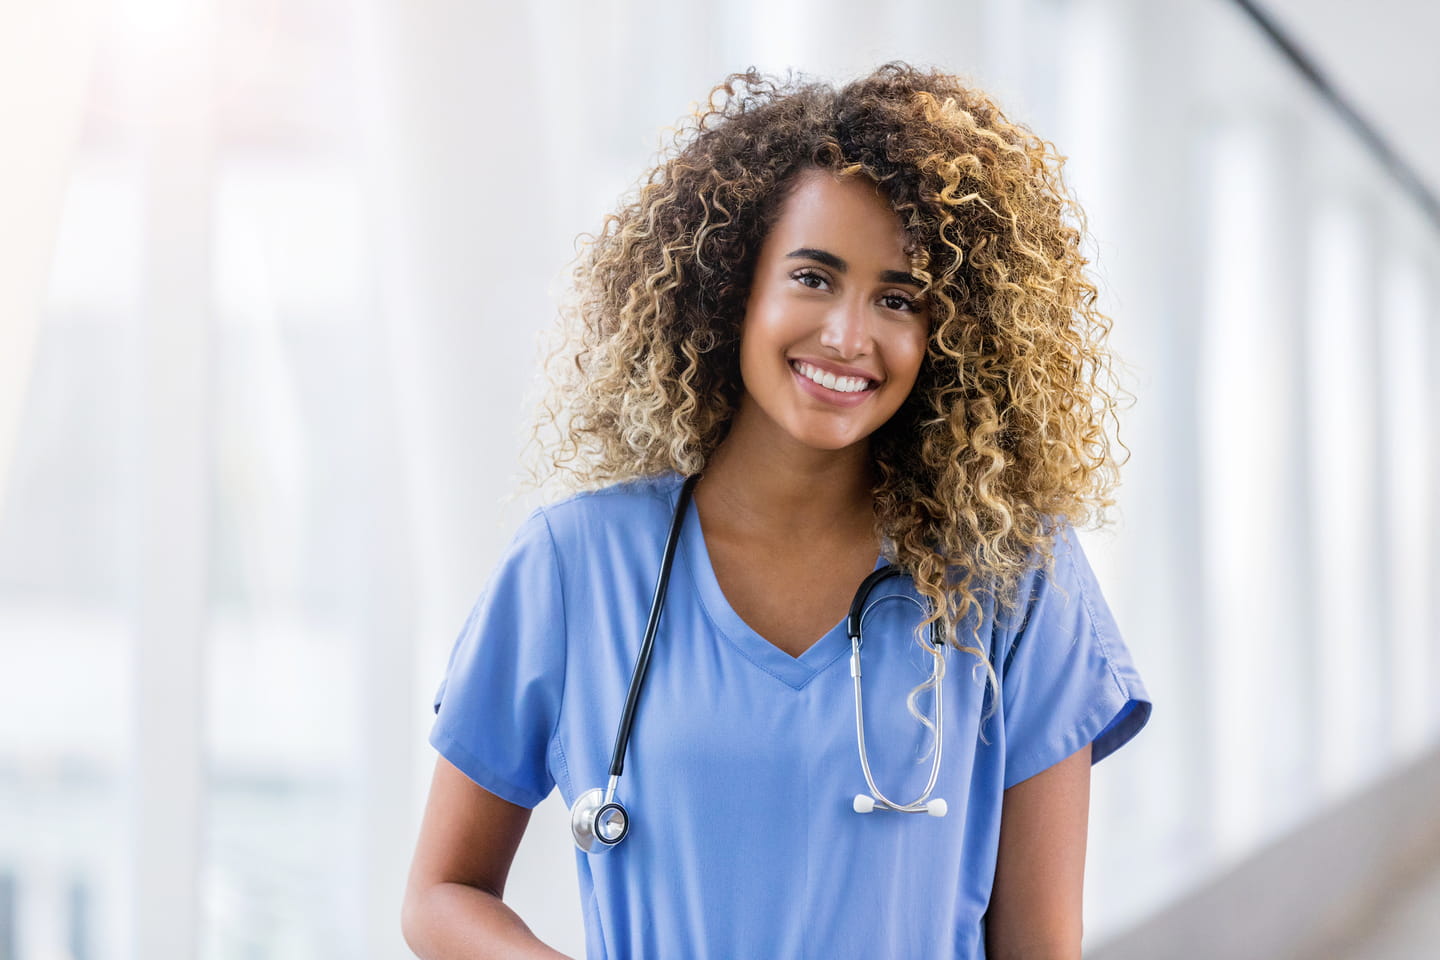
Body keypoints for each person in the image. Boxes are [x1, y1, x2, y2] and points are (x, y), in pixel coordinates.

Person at [401, 62, 1152, 960]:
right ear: (733, 289)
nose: (848, 336)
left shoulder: (1017, 580)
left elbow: (1038, 947)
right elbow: (442, 893)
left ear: (949, 333)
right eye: (812, 277)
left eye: (899, 298)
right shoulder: (577, 564)